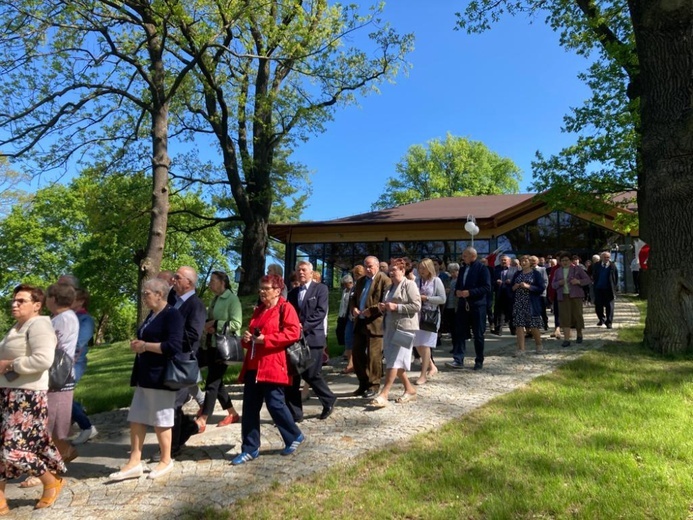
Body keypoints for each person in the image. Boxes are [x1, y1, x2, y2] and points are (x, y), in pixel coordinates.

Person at [109, 277, 184, 481]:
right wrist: (139, 345)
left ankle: (166, 459)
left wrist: (145, 346)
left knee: (161, 419)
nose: (143, 297)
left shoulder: (172, 315)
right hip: (145, 375)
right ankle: (134, 461)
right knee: (137, 417)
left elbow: (174, 346)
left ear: (159, 294)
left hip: (161, 375)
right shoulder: (152, 314)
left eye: (146, 293)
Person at [0, 285, 66, 512]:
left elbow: (43, 359)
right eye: (13, 300)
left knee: (14, 449)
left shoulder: (39, 324)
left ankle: (51, 482)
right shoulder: (17, 327)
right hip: (7, 394)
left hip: (27, 396)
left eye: (21, 301)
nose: (14, 304)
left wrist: (8, 365)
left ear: (37, 305)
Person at [232, 274, 304, 465]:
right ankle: (250, 448)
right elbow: (254, 335)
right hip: (253, 365)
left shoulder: (285, 308)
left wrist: (267, 339)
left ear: (277, 290)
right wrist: (247, 339)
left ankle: (294, 435)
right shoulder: (259, 310)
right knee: (249, 408)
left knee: (275, 404)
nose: (262, 292)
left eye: (266, 288)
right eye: (261, 288)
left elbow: (293, 333)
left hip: (273, 364)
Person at [285, 261, 337, 421]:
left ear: (311, 272)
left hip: (313, 337)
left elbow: (321, 312)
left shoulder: (320, 289)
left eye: (304, 270)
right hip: (295, 340)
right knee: (293, 376)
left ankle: (328, 399)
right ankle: (295, 413)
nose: (301, 272)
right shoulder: (293, 293)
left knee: (312, 374)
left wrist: (304, 326)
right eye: (298, 270)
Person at [167, 266, 207, 459]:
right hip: (169, 359)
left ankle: (172, 449)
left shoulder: (195, 305)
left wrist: (168, 337)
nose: (173, 280)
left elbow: (193, 334)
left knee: (173, 405)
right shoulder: (172, 301)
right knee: (170, 404)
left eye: (177, 277)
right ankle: (190, 427)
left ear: (188, 283)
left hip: (182, 362)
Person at [371, 258, 421, 407]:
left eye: (394, 270)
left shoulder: (410, 285)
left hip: (406, 328)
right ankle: (410, 390)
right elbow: (390, 305)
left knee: (394, 360)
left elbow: (416, 306)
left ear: (402, 271)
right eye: (390, 270)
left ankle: (384, 394)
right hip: (390, 327)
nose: (390, 272)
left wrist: (396, 307)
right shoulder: (389, 288)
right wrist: (383, 307)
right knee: (395, 360)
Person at [195, 271, 242, 431]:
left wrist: (216, 324)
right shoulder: (214, 299)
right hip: (211, 346)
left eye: (213, 280)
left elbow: (236, 324)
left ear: (223, 282)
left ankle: (203, 418)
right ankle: (233, 413)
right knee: (217, 382)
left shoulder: (232, 299)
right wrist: (208, 325)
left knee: (212, 382)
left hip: (224, 348)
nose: (210, 283)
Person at [44, 283, 80, 467]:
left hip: (58, 376)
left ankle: (52, 464)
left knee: (50, 423)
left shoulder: (62, 319)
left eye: (47, 296)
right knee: (50, 424)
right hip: (59, 375)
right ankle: (63, 453)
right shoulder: (63, 317)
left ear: (54, 298)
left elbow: (50, 345)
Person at [349, 256, 392, 398]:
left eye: (370, 266)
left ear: (378, 266)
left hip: (375, 323)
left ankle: (374, 385)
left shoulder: (384, 280)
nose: (368, 269)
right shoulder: (360, 281)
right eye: (366, 266)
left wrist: (371, 310)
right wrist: (354, 308)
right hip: (360, 322)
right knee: (357, 353)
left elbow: (385, 302)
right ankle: (363, 383)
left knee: (374, 356)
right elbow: (353, 298)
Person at [446, 247, 491, 370]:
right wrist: (458, 292)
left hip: (477, 306)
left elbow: (487, 287)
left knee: (478, 334)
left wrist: (470, 292)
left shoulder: (482, 269)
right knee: (459, 332)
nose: (463, 257)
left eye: (465, 256)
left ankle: (479, 360)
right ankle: (458, 359)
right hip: (462, 305)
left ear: (473, 256)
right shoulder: (463, 269)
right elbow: (459, 286)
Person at [70, 287, 98, 445]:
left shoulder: (85, 319)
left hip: (75, 362)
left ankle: (87, 427)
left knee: (64, 397)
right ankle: (80, 410)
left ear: (80, 301)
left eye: (72, 299)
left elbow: (79, 342)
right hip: (63, 362)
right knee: (64, 397)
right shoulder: (67, 316)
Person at [413, 258, 445, 385]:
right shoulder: (417, 281)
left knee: (425, 345)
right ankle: (432, 366)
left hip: (430, 316)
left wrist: (427, 298)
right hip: (417, 315)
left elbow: (442, 299)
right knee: (417, 343)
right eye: (420, 268)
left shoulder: (436, 281)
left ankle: (423, 374)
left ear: (429, 268)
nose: (421, 270)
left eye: (423, 268)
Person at [552, 252, 592, 347]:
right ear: (560, 262)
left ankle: (579, 334)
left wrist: (578, 281)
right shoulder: (557, 271)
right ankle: (566, 339)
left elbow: (588, 280)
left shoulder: (577, 269)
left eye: (566, 260)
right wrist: (559, 283)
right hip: (563, 297)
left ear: (570, 261)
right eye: (562, 261)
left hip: (576, 296)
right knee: (565, 317)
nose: (564, 262)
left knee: (577, 315)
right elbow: (553, 285)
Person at [510, 255, 545, 356]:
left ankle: (539, 345)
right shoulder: (517, 274)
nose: (523, 263)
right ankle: (521, 349)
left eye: (525, 261)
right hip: (518, 303)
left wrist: (529, 286)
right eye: (521, 261)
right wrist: (514, 287)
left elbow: (541, 288)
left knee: (534, 326)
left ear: (530, 262)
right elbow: (510, 288)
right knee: (519, 326)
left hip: (531, 303)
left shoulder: (536, 274)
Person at [343, 265, 365, 374]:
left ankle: (362, 364)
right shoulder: (353, 288)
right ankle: (350, 363)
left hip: (362, 318)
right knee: (348, 339)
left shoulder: (366, 285)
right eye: (355, 275)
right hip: (351, 317)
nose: (356, 277)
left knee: (361, 342)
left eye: (359, 274)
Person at [592, 251, 618, 328]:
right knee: (598, 306)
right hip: (598, 289)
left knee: (609, 306)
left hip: (609, 289)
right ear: (601, 258)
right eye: (605, 257)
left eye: (608, 257)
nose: (607, 259)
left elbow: (615, 278)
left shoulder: (612, 266)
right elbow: (594, 275)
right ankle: (601, 319)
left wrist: (614, 287)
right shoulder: (596, 265)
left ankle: (609, 322)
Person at [336, 274, 354, 372]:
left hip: (351, 317)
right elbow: (343, 305)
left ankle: (351, 362)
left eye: (346, 284)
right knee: (346, 337)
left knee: (350, 338)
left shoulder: (353, 290)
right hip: (344, 317)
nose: (345, 286)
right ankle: (350, 360)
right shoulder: (345, 291)